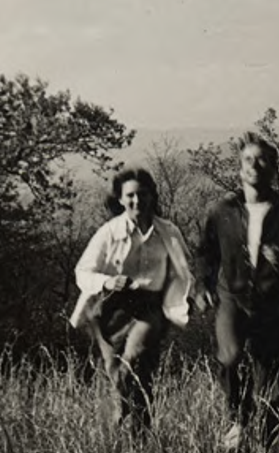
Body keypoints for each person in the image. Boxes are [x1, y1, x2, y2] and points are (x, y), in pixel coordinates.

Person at [196, 132, 279, 450]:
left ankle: (270, 434)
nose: (254, 165)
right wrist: (203, 287)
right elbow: (206, 253)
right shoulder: (222, 210)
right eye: (248, 159)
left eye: (262, 159)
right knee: (229, 356)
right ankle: (238, 419)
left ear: (274, 168)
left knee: (271, 370)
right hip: (231, 296)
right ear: (239, 167)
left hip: (271, 301)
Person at [69, 168, 194, 436]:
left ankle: (131, 425)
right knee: (121, 377)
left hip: (150, 309)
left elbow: (182, 273)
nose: (137, 201)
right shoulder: (109, 232)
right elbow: (83, 272)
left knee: (133, 362)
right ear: (121, 199)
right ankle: (133, 436)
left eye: (143, 194)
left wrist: (181, 304)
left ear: (152, 196)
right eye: (131, 196)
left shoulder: (168, 232)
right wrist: (107, 282)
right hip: (111, 310)